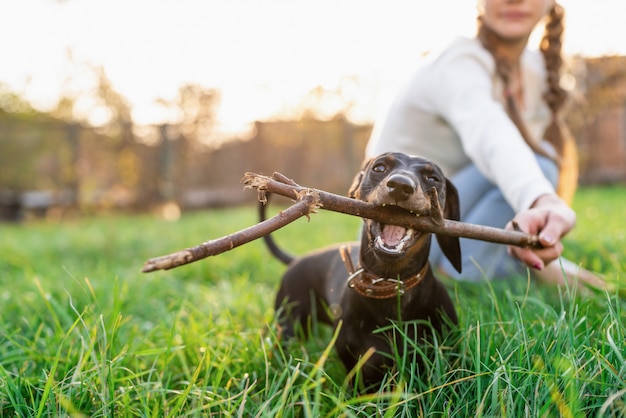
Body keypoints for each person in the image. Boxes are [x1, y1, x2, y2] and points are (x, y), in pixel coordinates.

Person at [366, 0, 605, 288]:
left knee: (545, 158)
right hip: (396, 227)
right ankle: (459, 274)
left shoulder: (533, 69)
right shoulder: (458, 62)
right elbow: (493, 138)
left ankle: (506, 264)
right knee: (542, 166)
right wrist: (542, 199)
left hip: (448, 215)